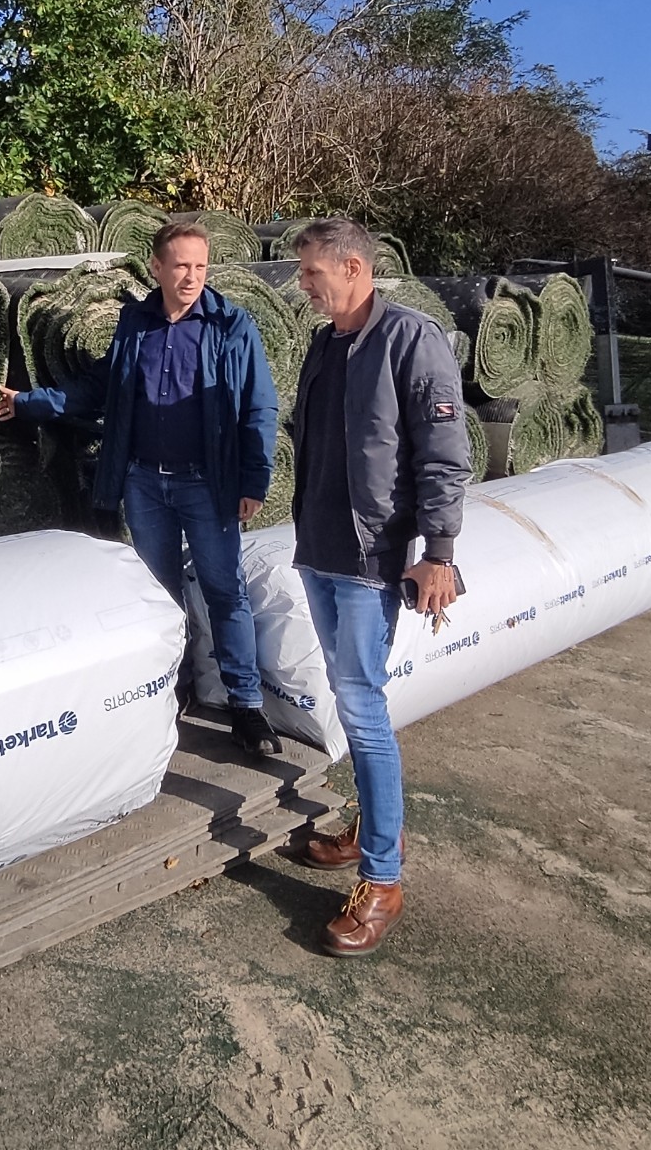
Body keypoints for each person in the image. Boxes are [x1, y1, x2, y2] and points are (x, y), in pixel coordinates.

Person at [0, 219, 282, 756]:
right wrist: (30, 402)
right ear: (157, 267)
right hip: (145, 483)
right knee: (160, 596)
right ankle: (171, 693)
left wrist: (254, 479)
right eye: (181, 265)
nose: (192, 276)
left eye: (200, 265)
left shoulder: (231, 325)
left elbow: (258, 406)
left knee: (225, 592)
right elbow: (101, 388)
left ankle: (246, 707)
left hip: (208, 485)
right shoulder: (135, 322)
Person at [286, 217, 470, 957]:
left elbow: (444, 451)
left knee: (362, 709)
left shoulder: (410, 339)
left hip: (372, 560)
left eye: (310, 274)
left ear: (353, 267)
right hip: (321, 550)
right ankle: (368, 828)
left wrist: (439, 553)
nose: (302, 286)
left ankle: (384, 881)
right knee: (351, 699)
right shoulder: (325, 344)